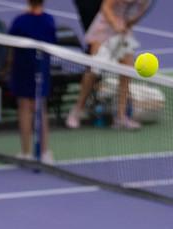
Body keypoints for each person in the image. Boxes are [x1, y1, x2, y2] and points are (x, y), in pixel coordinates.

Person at [66, 0, 151, 131]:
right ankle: (77, 110)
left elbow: (136, 15)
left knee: (127, 71)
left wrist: (127, 24)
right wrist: (115, 24)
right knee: (93, 71)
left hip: (122, 32)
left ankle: (121, 116)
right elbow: (106, 7)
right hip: (104, 27)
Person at [10, 0, 58, 164]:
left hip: (23, 69)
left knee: (24, 108)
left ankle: (26, 152)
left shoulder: (20, 21)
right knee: (40, 108)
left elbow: (11, 47)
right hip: (41, 69)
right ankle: (44, 153)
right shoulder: (49, 21)